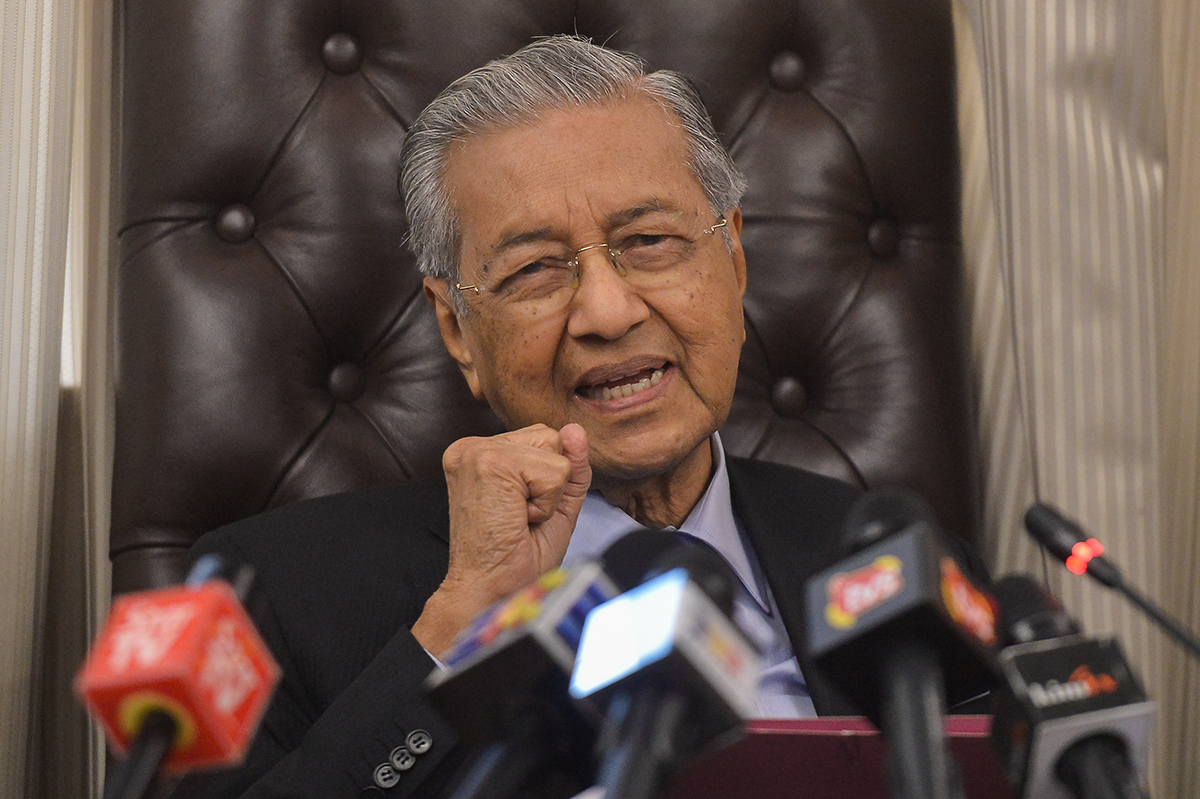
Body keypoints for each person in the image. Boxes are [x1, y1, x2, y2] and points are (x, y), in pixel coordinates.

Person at [169, 35, 859, 799]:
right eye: (535, 268)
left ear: (731, 257)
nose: (607, 310)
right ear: (458, 329)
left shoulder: (886, 557)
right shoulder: (273, 594)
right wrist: (457, 628)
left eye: (649, 241)